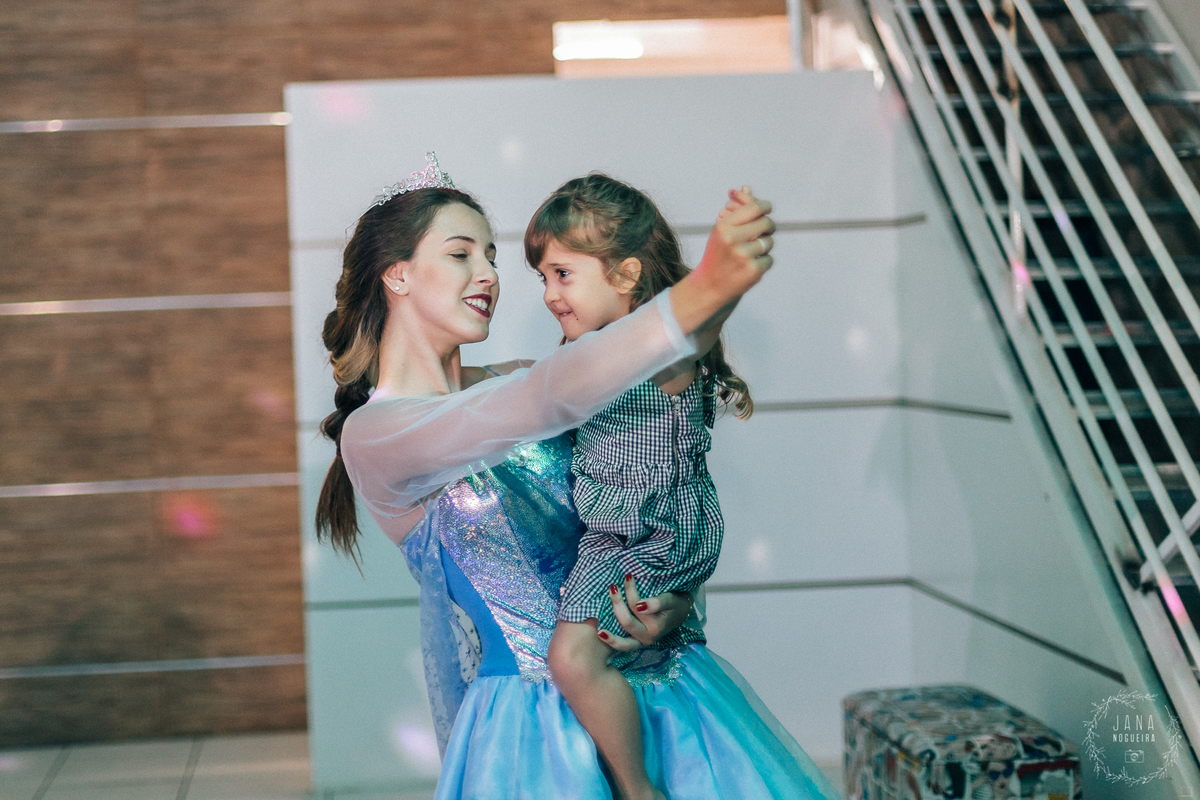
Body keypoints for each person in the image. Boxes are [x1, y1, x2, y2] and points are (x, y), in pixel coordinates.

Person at [316, 153, 838, 799]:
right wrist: (704, 288)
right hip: (537, 733)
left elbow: (652, 487)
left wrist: (673, 597)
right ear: (397, 274)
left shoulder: (523, 377)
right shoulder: (379, 433)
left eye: (492, 257)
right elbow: (546, 397)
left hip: (664, 696)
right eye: (460, 254)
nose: (488, 275)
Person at [529, 173, 753, 800]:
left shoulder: (660, 357)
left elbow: (694, 328)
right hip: (622, 537)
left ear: (626, 276)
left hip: (648, 537)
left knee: (572, 658)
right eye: (542, 277)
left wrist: (724, 277)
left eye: (562, 274)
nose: (549, 294)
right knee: (586, 659)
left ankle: (638, 789)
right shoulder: (587, 356)